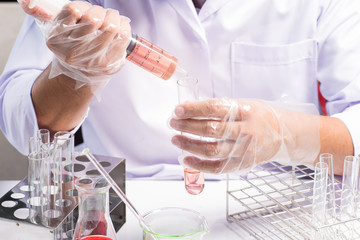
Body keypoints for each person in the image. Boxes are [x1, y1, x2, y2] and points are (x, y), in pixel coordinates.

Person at [1, 0, 359, 179]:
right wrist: (73, 75)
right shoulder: (85, 6)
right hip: (130, 208)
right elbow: (24, 128)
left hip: (275, 210)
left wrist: (286, 136)